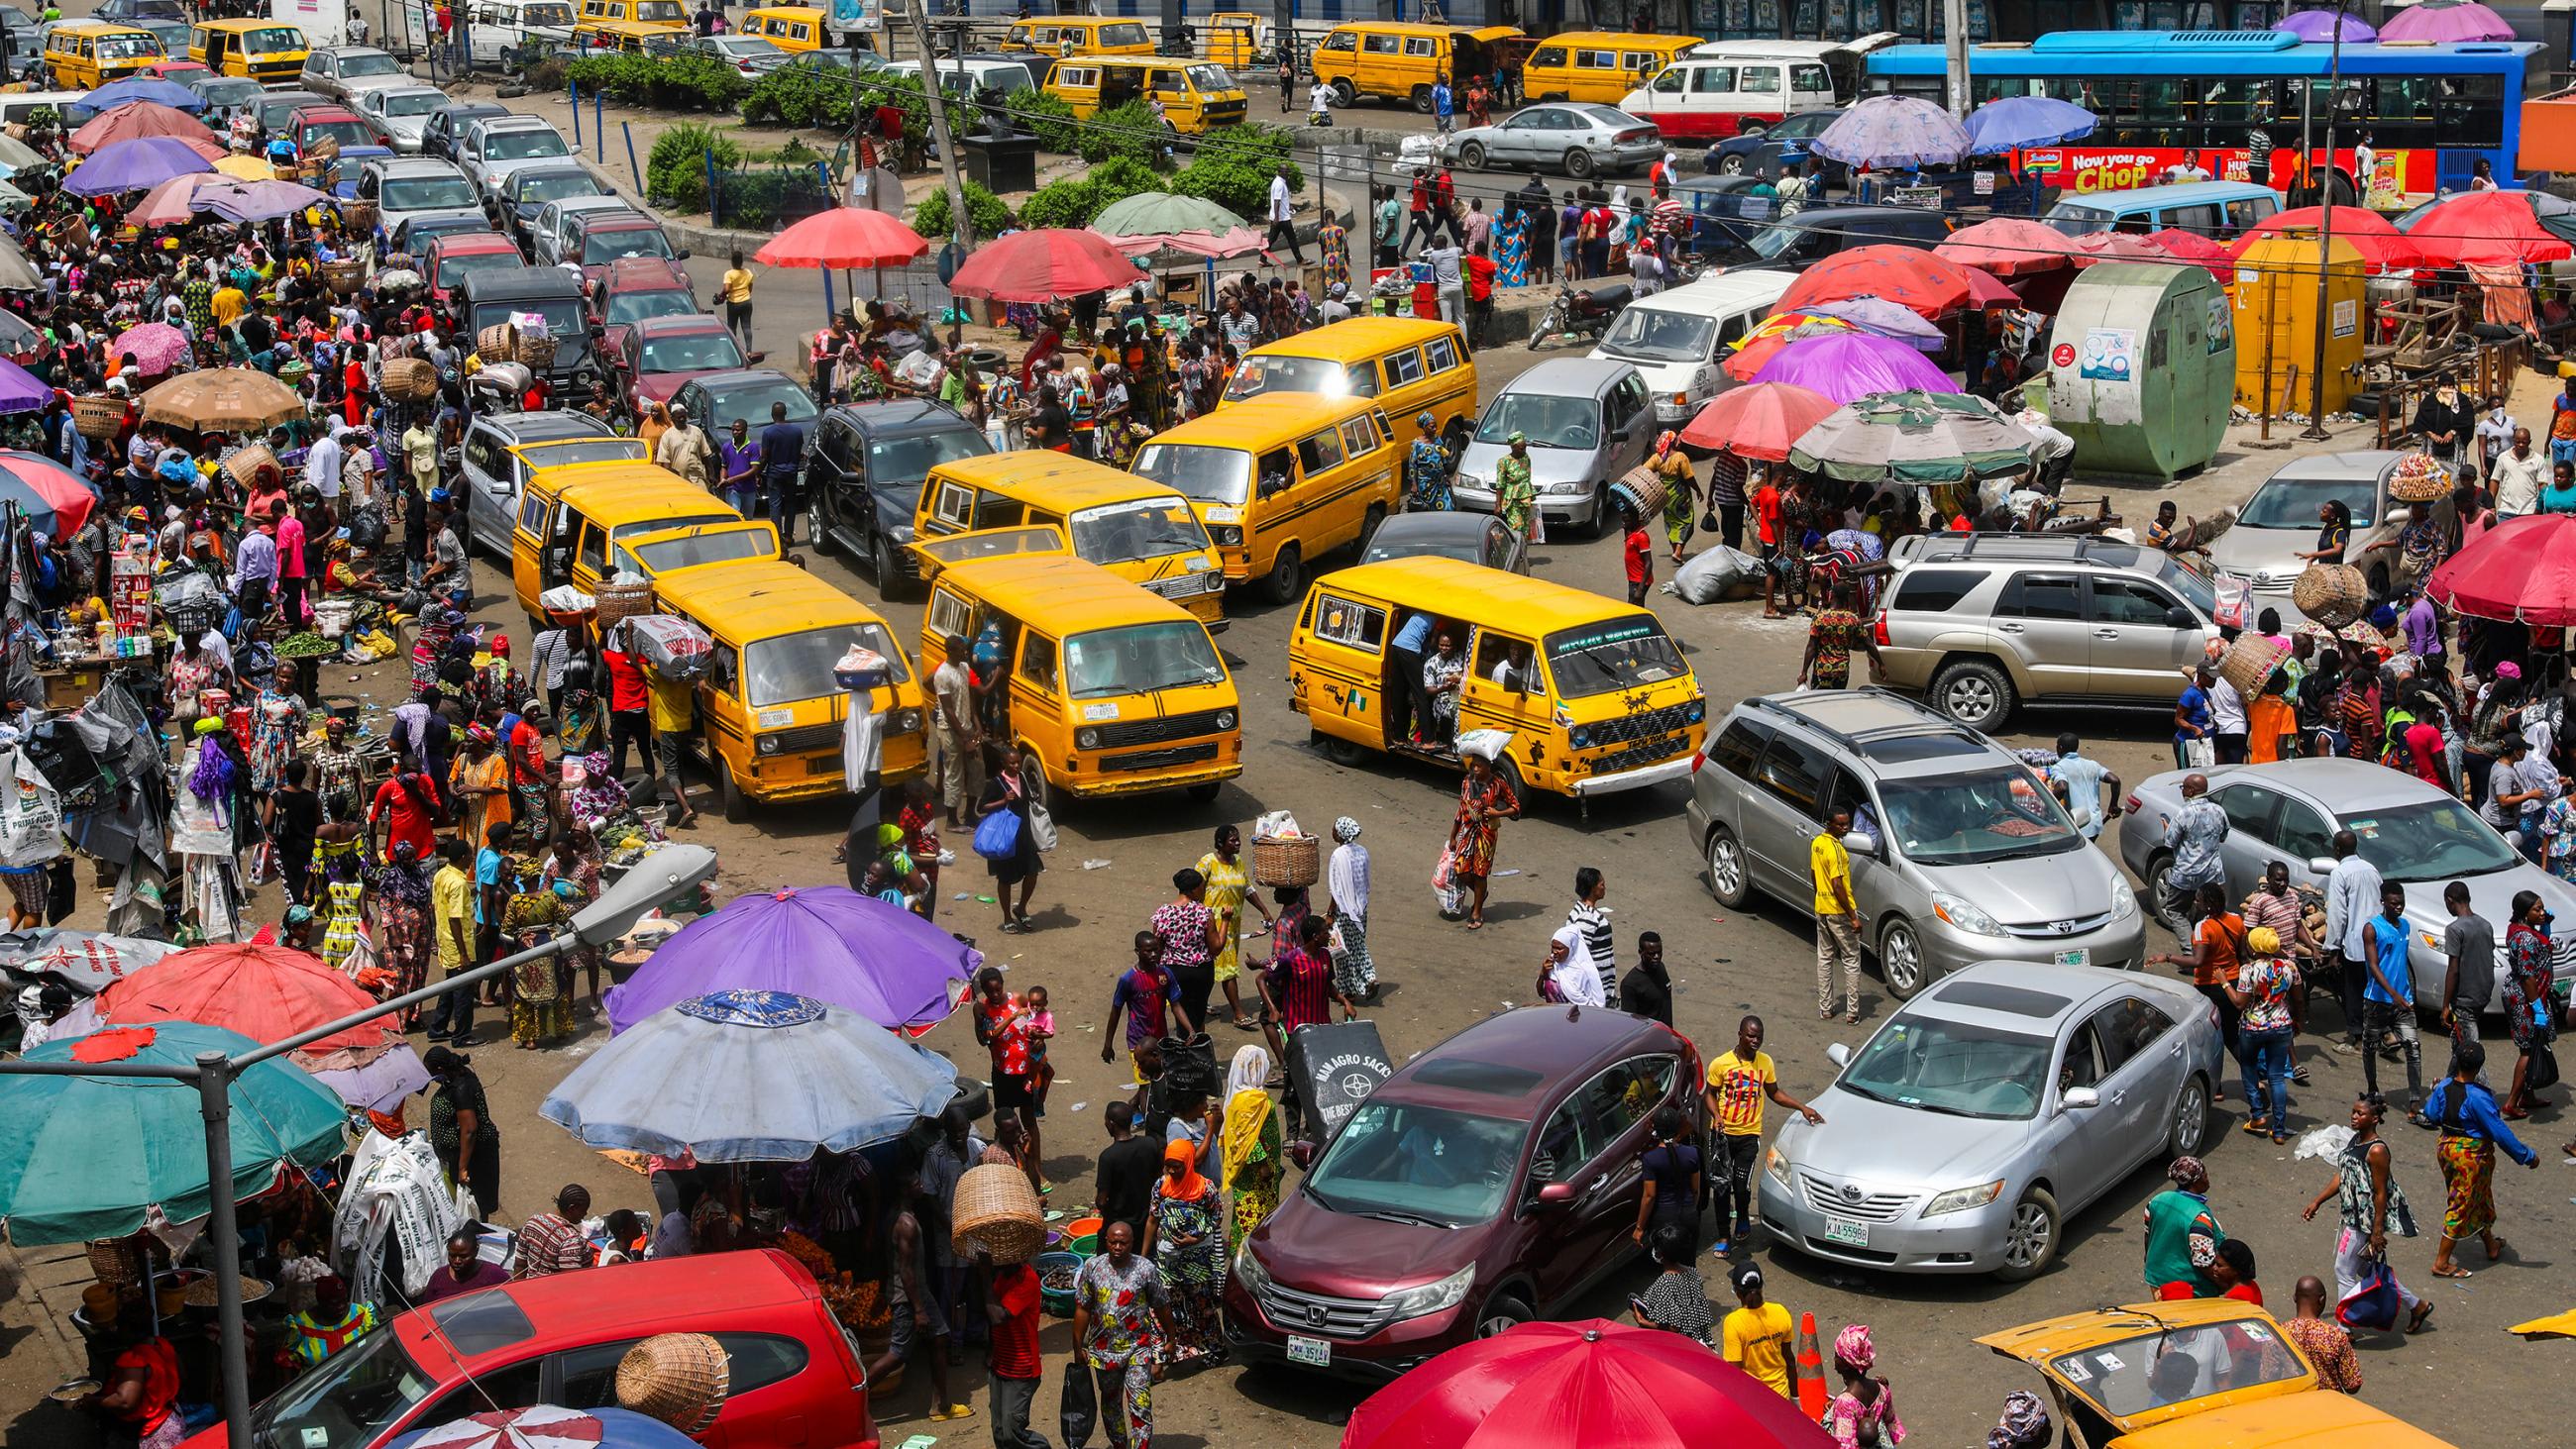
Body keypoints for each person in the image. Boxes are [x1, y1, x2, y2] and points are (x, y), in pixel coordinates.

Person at [2304, 1091, 2433, 1334]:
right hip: (2352, 1217)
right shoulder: (2356, 1140)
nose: (2354, 1117)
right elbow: (2342, 1176)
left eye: (2360, 1114)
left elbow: (2381, 1192)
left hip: (2364, 1223)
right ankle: (2417, 1306)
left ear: (2374, 1119)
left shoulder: (2376, 1151)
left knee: (2343, 1271)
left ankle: (2344, 1329)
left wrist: (2376, 1232)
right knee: (2367, 1271)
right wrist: (2317, 1201)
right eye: (2353, 1112)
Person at [2421, 1037, 2537, 1278]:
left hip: (2447, 1149)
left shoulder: (2443, 1086)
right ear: (2479, 1066)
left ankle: (2490, 1244)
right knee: (2461, 1205)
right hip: (2471, 1157)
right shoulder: (2479, 1097)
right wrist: (2527, 1156)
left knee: (2480, 1196)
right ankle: (2441, 1263)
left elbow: (2431, 1114)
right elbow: (2500, 1133)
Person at [1705, 1015, 1822, 1253]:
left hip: (1749, 1136)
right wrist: (1716, 1116)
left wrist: (1803, 1108)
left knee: (1741, 1186)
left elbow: (1774, 1093)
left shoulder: (1765, 1063)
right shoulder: (1721, 1064)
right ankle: (1723, 1235)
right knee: (1721, 1187)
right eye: (1750, 1035)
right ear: (1740, 1035)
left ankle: (1744, 1218)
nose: (1755, 1040)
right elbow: (1709, 1094)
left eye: (1759, 1036)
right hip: (1722, 1136)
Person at [1070, 1220, 1172, 1449]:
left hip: (1139, 1348)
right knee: (1111, 1404)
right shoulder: (1092, 1268)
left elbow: (1162, 1306)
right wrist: (1078, 1346)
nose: (1118, 1247)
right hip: (1104, 1352)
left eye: (1123, 1243)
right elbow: (1082, 1308)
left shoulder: (1145, 1269)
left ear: (1132, 1243)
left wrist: (1171, 1338)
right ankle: (1118, 1445)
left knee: (1140, 1405)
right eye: (1113, 1242)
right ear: (1106, 1242)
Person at [1141, 1137, 1227, 1366]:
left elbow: (1217, 1217)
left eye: (1176, 1166)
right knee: (1163, 1306)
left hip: (1198, 1261)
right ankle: (1162, 1357)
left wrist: (1195, 1237)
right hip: (1168, 1262)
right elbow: (1152, 1220)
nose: (1171, 1170)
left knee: (1202, 1305)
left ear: (1188, 1163)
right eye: (1168, 1165)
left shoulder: (1205, 1189)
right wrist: (1142, 1255)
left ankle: (1214, 1349)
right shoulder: (1162, 1186)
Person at [2150, 880, 2246, 1059]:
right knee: (2235, 1031)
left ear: (2207, 905)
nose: (2195, 903)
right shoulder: (2236, 919)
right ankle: (2258, 1074)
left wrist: (2168, 957)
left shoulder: (2203, 927)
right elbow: (2242, 954)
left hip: (2211, 986)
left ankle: (2252, 1076)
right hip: (2235, 981)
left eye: (2198, 900)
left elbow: (2197, 960)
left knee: (2216, 1036)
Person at [2227, 926, 2300, 1144]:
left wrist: (2223, 982)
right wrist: (2297, 1020)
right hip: (2281, 1027)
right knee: (2277, 1077)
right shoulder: (2289, 967)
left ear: (2256, 947)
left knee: (2248, 1068)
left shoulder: (2248, 970)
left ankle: (2257, 1116)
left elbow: (2239, 1003)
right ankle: (2278, 1130)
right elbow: (2299, 998)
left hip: (2253, 1028)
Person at [1196, 823, 1271, 1027]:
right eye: (1233, 840)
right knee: (1228, 967)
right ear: (1220, 843)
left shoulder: (1237, 862)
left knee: (1210, 965)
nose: (1238, 843)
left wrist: (1264, 910)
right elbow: (1194, 888)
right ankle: (1238, 1013)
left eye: (1238, 839)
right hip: (1213, 924)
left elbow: (1247, 888)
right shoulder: (1207, 863)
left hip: (1233, 925)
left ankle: (1198, 1003)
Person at [2362, 881, 2425, 1105]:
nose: (2399, 907)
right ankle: (2372, 1089)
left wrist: (2405, 994)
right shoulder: (2372, 928)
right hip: (2377, 1001)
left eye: (2402, 903)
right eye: (2394, 903)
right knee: (2370, 1047)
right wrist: (2393, 994)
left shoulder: (2405, 926)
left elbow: (2401, 962)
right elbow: (2373, 965)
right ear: (2383, 902)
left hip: (2403, 1002)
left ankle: (2415, 1099)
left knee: (2413, 1048)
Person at [2323, 828, 2385, 1049]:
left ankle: (2358, 1037)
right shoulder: (2371, 869)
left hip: (2355, 944)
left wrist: (2332, 949)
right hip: (2376, 941)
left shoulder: (2340, 873)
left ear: (2337, 849)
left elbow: (2338, 913)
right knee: (2375, 988)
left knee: (2353, 991)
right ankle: (2381, 1032)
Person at [82, 1314, 181, 1449]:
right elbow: (183, 1374)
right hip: (171, 1418)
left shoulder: (134, 1359)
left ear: (129, 1330)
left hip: (149, 1429)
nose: (117, 1331)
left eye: (119, 1328)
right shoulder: (163, 1344)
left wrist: (92, 1401)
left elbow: (125, 1401)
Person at [425, 1044, 499, 1217]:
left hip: (474, 1158)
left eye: (432, 1073)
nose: (431, 1078)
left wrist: (462, 1168)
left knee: (475, 1207)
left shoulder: (461, 1088)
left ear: (441, 1069)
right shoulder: (455, 1077)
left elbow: (469, 1129)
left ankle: (478, 1239)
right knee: (464, 1206)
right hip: (459, 1155)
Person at [2499, 889, 2555, 1119]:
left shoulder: (2520, 929)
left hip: (2529, 996)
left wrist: (2544, 926)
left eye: (2542, 908)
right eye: (2537, 909)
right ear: (2524, 913)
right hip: (2525, 997)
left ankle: (2528, 1096)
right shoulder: (2525, 938)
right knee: (2529, 1049)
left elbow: (2539, 951)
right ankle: (2511, 1102)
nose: (2542, 913)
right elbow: (2528, 975)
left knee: (2536, 1043)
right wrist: (2537, 1007)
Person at [1448, 751, 1519, 929]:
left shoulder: (1498, 784)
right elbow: (1461, 809)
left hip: (1487, 834)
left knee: (1480, 872)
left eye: (1480, 765)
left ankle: (1477, 911)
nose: (1476, 768)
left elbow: (1515, 807)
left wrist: (1498, 813)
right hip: (1467, 831)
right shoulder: (1466, 782)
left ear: (1489, 766)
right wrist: (1453, 835)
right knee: (1461, 870)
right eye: (1473, 765)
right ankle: (1481, 893)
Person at [1220, 1044, 1280, 1251]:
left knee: (1243, 1210)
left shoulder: (1243, 1095)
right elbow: (1247, 1139)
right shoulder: (1250, 1101)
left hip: (1251, 1168)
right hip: (1256, 1173)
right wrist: (1263, 1165)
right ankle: (1249, 1254)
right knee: (1253, 1213)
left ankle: (1238, 1247)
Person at [978, 745, 1042, 934]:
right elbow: (981, 807)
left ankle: (1021, 908)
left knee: (1032, 872)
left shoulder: (1022, 777)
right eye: (1012, 763)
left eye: (1018, 762)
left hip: (1025, 836)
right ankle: (1007, 917)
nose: (1016, 766)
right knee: (1005, 879)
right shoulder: (996, 783)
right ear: (1003, 763)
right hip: (1005, 839)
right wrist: (1003, 801)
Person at [2141, 1156, 2223, 1299]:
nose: (2207, 1179)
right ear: (2195, 1181)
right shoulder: (2199, 1218)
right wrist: (2224, 1284)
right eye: (2204, 1175)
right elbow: (2203, 1262)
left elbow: (2148, 1236)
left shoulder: (2157, 1200)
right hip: (2187, 1290)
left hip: (2156, 1279)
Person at [2157, 773, 2228, 932]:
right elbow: (2223, 836)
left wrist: (2166, 829)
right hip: (2212, 875)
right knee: (2208, 915)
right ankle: (2203, 946)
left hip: (2185, 876)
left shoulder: (2184, 813)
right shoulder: (2219, 811)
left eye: (2184, 788)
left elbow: (2169, 842)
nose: (2182, 791)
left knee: (2175, 911)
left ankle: (2190, 950)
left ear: (2191, 791)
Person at [1630, 1221, 1714, 1346]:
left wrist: (1643, 1322)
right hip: (1699, 1342)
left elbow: (1674, 1328)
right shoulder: (1693, 1273)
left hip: (1679, 1346)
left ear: (1660, 1254)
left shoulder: (1664, 1285)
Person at [1823, 1324, 1905, 1449]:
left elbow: (1845, 1445)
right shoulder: (1882, 1389)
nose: (1834, 1359)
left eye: (1836, 1355)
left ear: (1846, 1363)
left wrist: (1837, 1410)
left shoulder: (1845, 1403)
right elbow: (1891, 1424)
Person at [1721, 1261, 1794, 1397]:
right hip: (1781, 1396)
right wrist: (1795, 1398)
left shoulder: (1733, 1322)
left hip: (1753, 1400)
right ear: (1761, 1287)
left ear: (1737, 1293)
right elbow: (1789, 1359)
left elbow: (1735, 1372)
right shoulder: (1780, 1312)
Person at [1096, 1100, 1162, 1245]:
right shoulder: (1150, 1143)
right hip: (1147, 1221)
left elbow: (1101, 1200)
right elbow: (1159, 1177)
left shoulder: (1108, 1157)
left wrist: (1104, 1208)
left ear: (1111, 1123)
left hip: (1119, 1224)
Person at [1633, 1104, 1701, 1244]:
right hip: (1689, 1216)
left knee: (1665, 1263)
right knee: (1688, 1263)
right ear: (1678, 1128)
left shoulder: (1650, 1159)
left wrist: (1639, 1228)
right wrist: (1691, 1209)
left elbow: (1649, 1196)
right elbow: (1695, 1190)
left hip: (1663, 1219)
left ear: (1656, 1131)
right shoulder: (1692, 1154)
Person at [1325, 816, 1375, 1003]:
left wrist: (1330, 913)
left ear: (1340, 833)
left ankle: (1365, 980)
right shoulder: (1362, 851)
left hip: (1344, 911)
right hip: (1361, 909)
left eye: (1334, 829)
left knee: (1342, 949)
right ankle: (1353, 987)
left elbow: (1336, 889)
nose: (1332, 831)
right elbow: (1366, 882)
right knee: (1357, 944)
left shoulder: (1338, 855)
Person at [2283, 1275, 2363, 1392]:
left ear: (2295, 1298)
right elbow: (2352, 1385)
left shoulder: (2280, 1335)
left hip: (2292, 1405)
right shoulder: (2335, 1336)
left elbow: (2266, 1376)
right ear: (2321, 1299)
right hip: (2328, 1406)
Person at [1801, 584, 1878, 690]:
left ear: (1832, 595)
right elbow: (1868, 643)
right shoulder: (1852, 619)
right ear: (1846, 598)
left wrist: (1804, 672)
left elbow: (1811, 647)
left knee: (1820, 703)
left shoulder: (1820, 618)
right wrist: (1881, 664)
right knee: (1837, 701)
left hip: (1822, 670)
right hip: (1841, 671)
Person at [287, 1275, 376, 1367]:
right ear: (321, 1302)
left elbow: (377, 1347)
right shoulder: (301, 1326)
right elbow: (287, 1361)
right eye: (334, 1303)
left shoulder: (361, 1314)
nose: (341, 1306)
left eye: (344, 1300)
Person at [2048, 733, 2120, 840]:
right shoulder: (2092, 764)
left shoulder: (2059, 767)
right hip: (2095, 824)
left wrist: (2047, 805)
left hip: (2077, 825)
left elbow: (2062, 787)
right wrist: (2113, 805)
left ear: (2060, 748)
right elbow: (2115, 780)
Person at [513, 1184, 593, 1279]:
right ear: (572, 1208)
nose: (585, 1214)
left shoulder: (534, 1221)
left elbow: (520, 1264)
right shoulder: (570, 1240)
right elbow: (571, 1283)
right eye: (583, 1210)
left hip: (528, 1288)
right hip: (551, 1292)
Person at [420, 1229, 508, 1302]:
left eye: (463, 1256)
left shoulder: (493, 1274)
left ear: (476, 1251)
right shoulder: (439, 1276)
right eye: (452, 1255)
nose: (457, 1261)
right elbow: (426, 1310)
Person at [1620, 930, 1673, 1026]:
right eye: (1651, 954)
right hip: (1648, 1037)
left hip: (1666, 1033)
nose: (1656, 957)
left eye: (1659, 952)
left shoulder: (1661, 968)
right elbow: (1629, 1023)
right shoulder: (1630, 984)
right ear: (1640, 952)